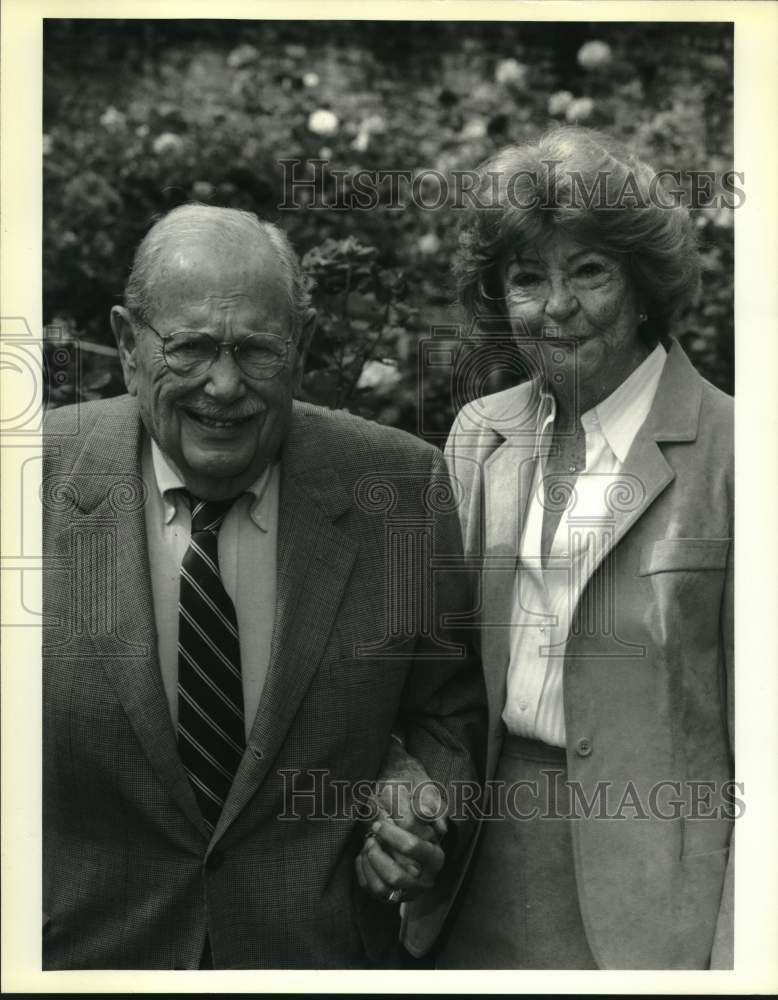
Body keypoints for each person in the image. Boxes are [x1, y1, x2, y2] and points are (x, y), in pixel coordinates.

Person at [42, 205, 486, 969]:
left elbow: (448, 710)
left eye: (257, 349)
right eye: (190, 349)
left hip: (315, 956)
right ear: (126, 344)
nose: (225, 384)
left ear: (302, 345)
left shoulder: (399, 486)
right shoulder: (32, 480)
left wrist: (421, 820)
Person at [423, 127, 734, 969]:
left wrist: (740, 954)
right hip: (474, 867)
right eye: (529, 278)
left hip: (661, 900)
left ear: (643, 288)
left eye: (589, 271)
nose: (557, 306)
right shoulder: (481, 435)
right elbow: (433, 672)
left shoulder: (738, 452)